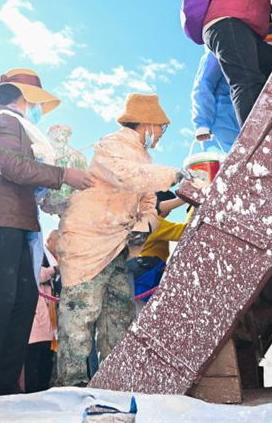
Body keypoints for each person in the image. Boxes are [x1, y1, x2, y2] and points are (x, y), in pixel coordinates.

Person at [0, 69, 93, 402]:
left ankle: (4, 385)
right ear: (25, 97)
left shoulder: (15, 125)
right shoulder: (6, 123)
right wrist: (64, 174)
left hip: (15, 221)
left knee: (21, 300)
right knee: (0, 300)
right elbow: (14, 167)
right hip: (0, 222)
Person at [55, 93, 194, 387]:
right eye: (160, 127)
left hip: (118, 247)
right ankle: (71, 384)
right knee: (82, 312)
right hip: (87, 240)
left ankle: (115, 381)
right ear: (147, 123)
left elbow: (148, 203)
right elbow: (125, 176)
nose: (160, 134)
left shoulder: (144, 159)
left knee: (118, 315)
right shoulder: (111, 145)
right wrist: (174, 174)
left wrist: (143, 227)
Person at [23, 231, 59, 393]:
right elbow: (34, 274)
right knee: (33, 356)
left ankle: (42, 389)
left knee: (45, 356)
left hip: (47, 312)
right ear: (49, 240)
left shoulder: (53, 258)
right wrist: (54, 270)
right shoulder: (37, 252)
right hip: (35, 310)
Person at [191, 52, 240, 152]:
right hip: (223, 121)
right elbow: (203, 86)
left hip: (242, 117)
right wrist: (202, 124)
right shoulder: (215, 53)